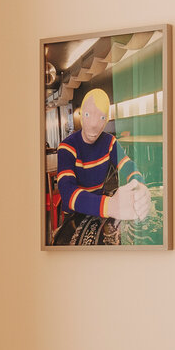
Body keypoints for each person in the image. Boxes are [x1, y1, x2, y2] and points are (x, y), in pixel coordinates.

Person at [52, 88, 151, 245]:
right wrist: (110, 205)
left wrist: (138, 185)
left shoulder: (109, 142)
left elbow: (128, 165)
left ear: (106, 121)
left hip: (99, 210)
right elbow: (68, 194)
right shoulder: (67, 147)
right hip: (74, 215)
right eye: (87, 115)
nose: (93, 125)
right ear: (81, 116)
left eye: (102, 117)